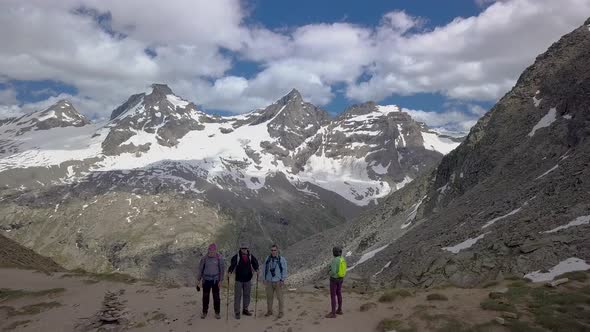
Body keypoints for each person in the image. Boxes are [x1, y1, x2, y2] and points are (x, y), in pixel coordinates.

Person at [228, 242, 259, 319]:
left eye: (245, 248)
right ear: (240, 249)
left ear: (247, 248)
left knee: (247, 295)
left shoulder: (250, 256)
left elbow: (255, 263)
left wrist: (257, 269)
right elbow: (232, 265)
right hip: (238, 279)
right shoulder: (236, 257)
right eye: (243, 248)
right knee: (238, 296)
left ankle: (245, 309)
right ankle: (237, 312)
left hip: (248, 279)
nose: (244, 249)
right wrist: (230, 272)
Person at [196, 243, 225, 319]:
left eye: (213, 251)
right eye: (210, 251)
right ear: (208, 250)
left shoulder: (219, 258)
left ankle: (217, 312)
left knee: (216, 297)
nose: (211, 253)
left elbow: (222, 270)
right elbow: (200, 269)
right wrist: (198, 280)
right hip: (206, 280)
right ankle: (204, 312)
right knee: (205, 297)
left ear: (215, 251)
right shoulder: (204, 258)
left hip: (216, 281)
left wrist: (221, 281)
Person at [263, 244, 288, 319]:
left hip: (278, 281)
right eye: (272, 250)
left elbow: (284, 270)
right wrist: (264, 278)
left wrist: (282, 279)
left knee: (280, 298)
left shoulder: (281, 259)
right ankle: (269, 311)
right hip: (269, 281)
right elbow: (264, 269)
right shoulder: (267, 259)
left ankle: (281, 312)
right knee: (269, 297)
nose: (273, 252)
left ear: (277, 250)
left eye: (274, 250)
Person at [326, 246, 346, 318]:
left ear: (334, 253)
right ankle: (339, 310)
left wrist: (329, 272)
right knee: (339, 293)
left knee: (333, 296)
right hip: (341, 278)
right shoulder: (342, 258)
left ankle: (333, 313)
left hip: (334, 280)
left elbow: (333, 272)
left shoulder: (334, 260)